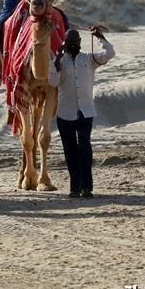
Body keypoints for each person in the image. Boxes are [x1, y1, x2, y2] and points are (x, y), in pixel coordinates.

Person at [49, 27, 115, 199]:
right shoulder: (59, 62)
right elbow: (53, 82)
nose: (72, 45)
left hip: (85, 112)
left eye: (75, 42)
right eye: (69, 42)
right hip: (65, 113)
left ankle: (86, 187)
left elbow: (109, 53)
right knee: (70, 151)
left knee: (85, 148)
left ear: (79, 42)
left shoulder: (89, 59)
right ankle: (74, 188)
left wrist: (100, 37)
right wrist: (56, 60)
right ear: (64, 43)